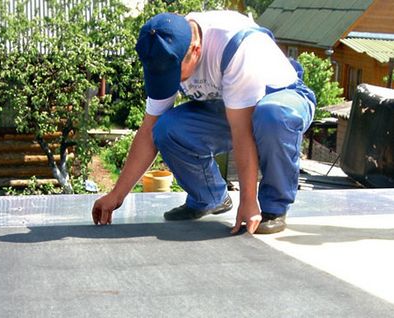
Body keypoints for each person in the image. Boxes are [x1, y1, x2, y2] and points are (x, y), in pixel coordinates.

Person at [92, 10, 316, 234]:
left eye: (174, 75)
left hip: (281, 98)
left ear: (196, 50)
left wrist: (247, 200)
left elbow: (242, 132)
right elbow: (148, 130)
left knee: (271, 116)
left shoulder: (235, 45)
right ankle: (209, 198)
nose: (172, 82)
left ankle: (273, 208)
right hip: (228, 108)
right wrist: (116, 195)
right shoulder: (165, 50)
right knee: (166, 128)